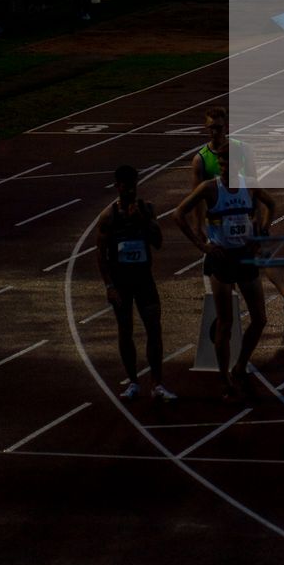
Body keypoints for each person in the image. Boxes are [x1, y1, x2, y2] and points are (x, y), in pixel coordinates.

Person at [175, 154, 276, 401]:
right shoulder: (210, 188)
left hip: (244, 256)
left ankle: (240, 365)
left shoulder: (249, 185)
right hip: (221, 259)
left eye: (229, 166)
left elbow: (271, 205)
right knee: (225, 323)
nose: (224, 170)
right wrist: (202, 246)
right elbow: (178, 214)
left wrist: (261, 233)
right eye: (221, 166)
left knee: (260, 319)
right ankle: (225, 379)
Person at [191, 108, 284, 315]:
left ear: (227, 127)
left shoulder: (241, 151)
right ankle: (230, 317)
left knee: (261, 253)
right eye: (211, 128)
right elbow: (197, 198)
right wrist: (199, 229)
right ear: (206, 128)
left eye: (219, 128)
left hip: (244, 217)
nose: (215, 132)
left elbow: (254, 186)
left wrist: (259, 220)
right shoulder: (201, 160)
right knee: (228, 268)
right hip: (219, 225)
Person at [94, 164, 176, 404]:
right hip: (121, 282)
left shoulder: (146, 209)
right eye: (126, 187)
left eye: (134, 187)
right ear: (117, 186)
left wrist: (144, 222)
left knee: (154, 327)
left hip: (143, 279)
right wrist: (109, 286)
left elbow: (158, 242)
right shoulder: (108, 217)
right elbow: (100, 254)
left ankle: (157, 384)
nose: (131, 191)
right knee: (125, 330)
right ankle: (133, 382)